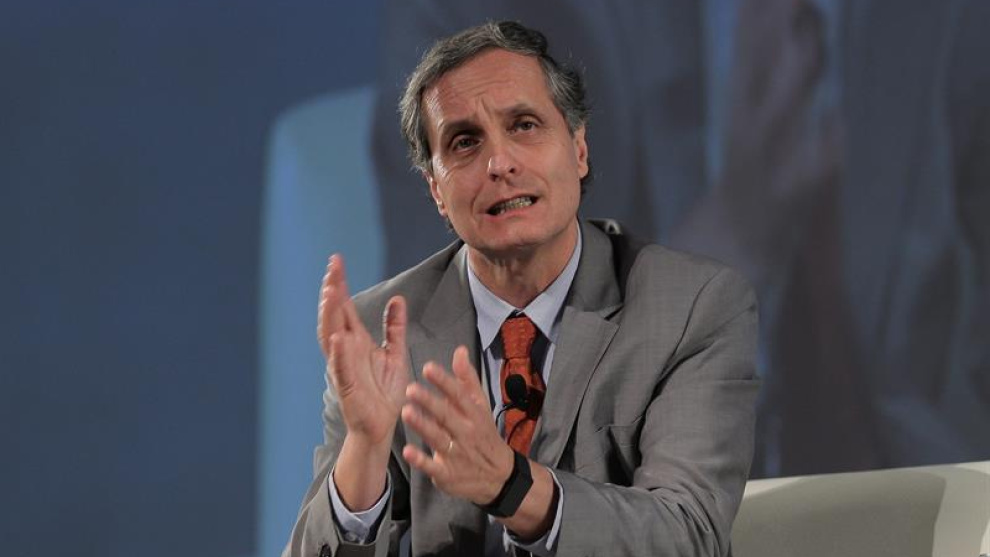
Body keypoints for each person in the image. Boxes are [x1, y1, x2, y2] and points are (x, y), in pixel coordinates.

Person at [284, 21, 758, 557]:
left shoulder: (692, 306)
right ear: (436, 190)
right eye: (465, 142)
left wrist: (510, 485)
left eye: (525, 125)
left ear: (579, 149)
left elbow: (687, 535)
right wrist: (366, 449)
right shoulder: (384, 331)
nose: (499, 164)